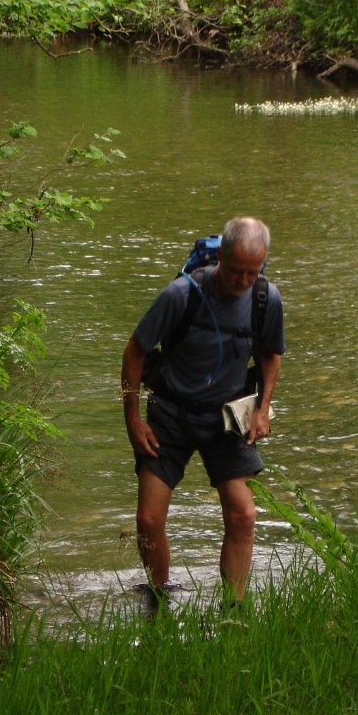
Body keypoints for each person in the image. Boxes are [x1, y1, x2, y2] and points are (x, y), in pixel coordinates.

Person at [121, 216, 286, 608]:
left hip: (228, 419)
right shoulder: (181, 294)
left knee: (244, 513)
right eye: (235, 271)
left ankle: (234, 609)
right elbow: (134, 352)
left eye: (253, 272)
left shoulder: (266, 299)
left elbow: (270, 356)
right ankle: (158, 595)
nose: (243, 281)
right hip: (169, 415)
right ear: (220, 259)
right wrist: (132, 419)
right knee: (148, 520)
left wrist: (262, 409)